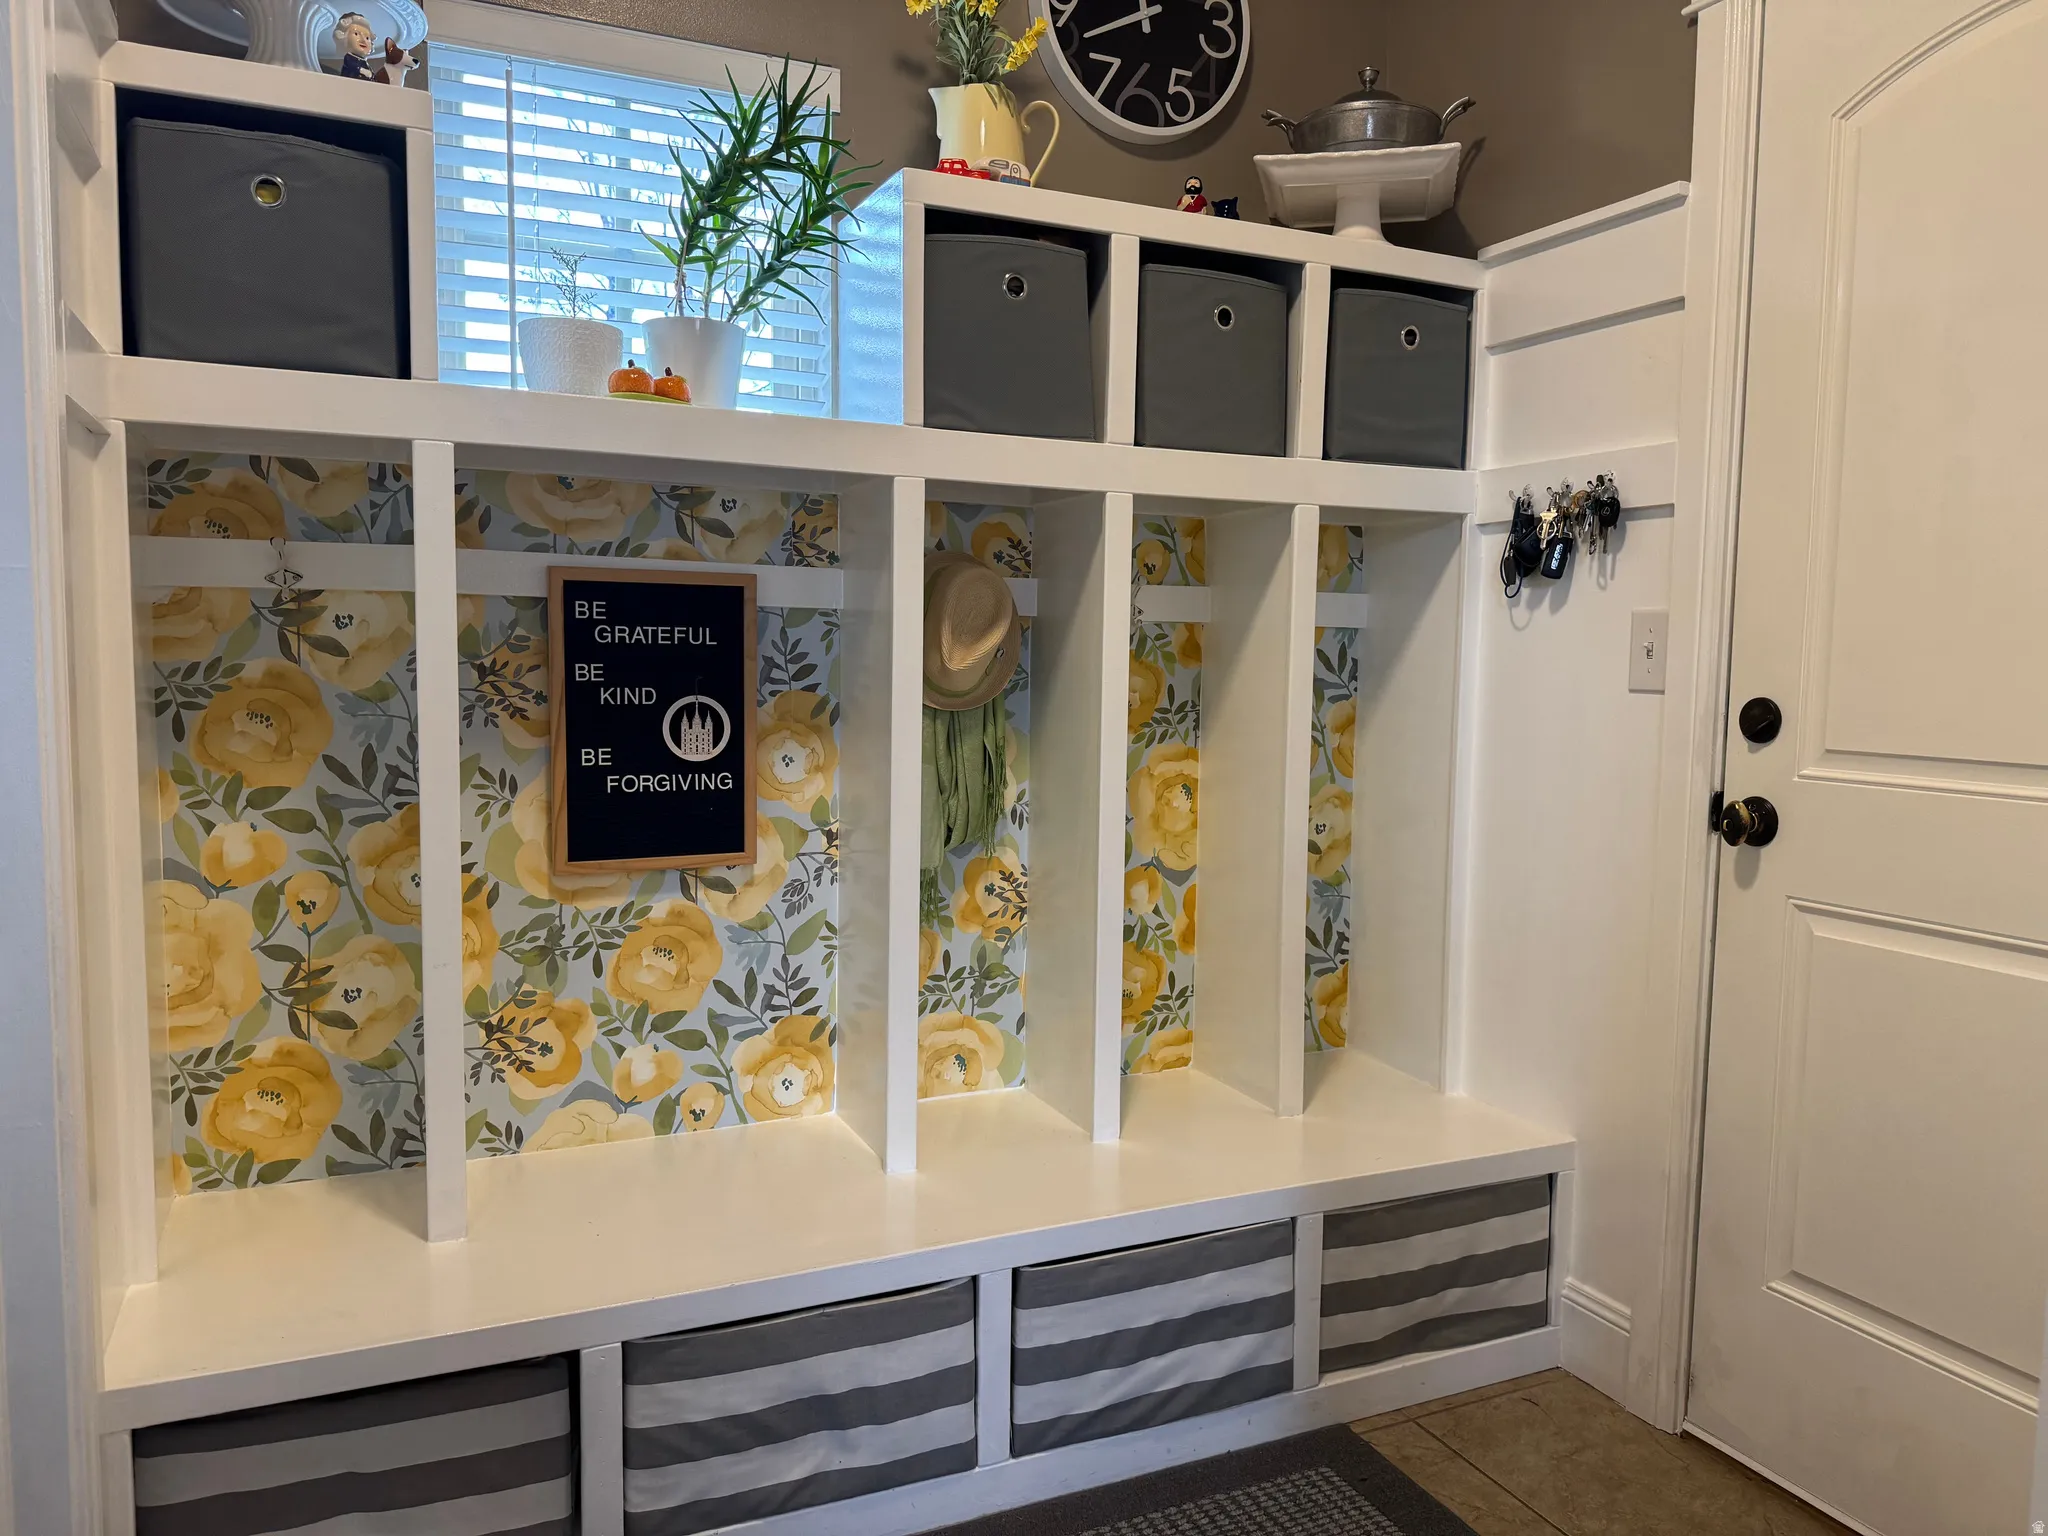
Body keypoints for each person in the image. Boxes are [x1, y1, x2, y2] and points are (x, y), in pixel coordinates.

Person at [334, 12, 377, 78]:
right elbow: (352, 66)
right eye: (356, 34)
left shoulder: (365, 62)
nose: (363, 40)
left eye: (367, 38)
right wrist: (362, 70)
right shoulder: (349, 58)